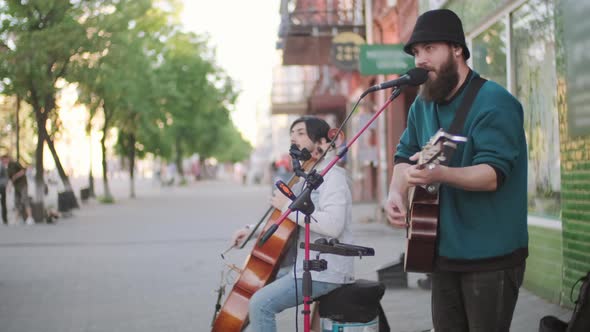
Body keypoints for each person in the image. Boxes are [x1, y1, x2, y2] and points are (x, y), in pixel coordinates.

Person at [384, 9, 528, 332]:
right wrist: (396, 192)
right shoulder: (422, 104)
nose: (420, 59)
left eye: (429, 49)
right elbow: (404, 157)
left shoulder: (495, 102)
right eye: (416, 52)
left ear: (458, 49)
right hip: (440, 252)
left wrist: (440, 175)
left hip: (491, 256)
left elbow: (493, 174)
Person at [231, 116, 355, 332]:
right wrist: (251, 231)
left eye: (300, 133)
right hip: (303, 266)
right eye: (291, 135)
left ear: (322, 143)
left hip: (325, 271)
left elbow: (333, 226)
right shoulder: (308, 178)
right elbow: (286, 223)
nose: (293, 140)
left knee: (260, 304)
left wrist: (288, 206)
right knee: (252, 289)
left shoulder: (333, 177)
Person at [1, 155, 34, 225]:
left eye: (4, 160)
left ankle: (30, 218)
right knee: (17, 201)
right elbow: (10, 179)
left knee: (25, 199)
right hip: (16, 186)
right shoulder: (7, 168)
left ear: (7, 158)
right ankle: (16, 219)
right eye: (2, 160)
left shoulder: (15, 163)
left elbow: (23, 170)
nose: (3, 162)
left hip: (23, 185)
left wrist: (16, 176)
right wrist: (9, 187)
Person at [0, 158, 8, 224]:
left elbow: (5, 177)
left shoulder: (2, 166)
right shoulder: (2, 166)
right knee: (3, 203)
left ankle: (4, 219)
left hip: (2, 186)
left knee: (3, 203)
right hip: (2, 186)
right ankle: (4, 219)